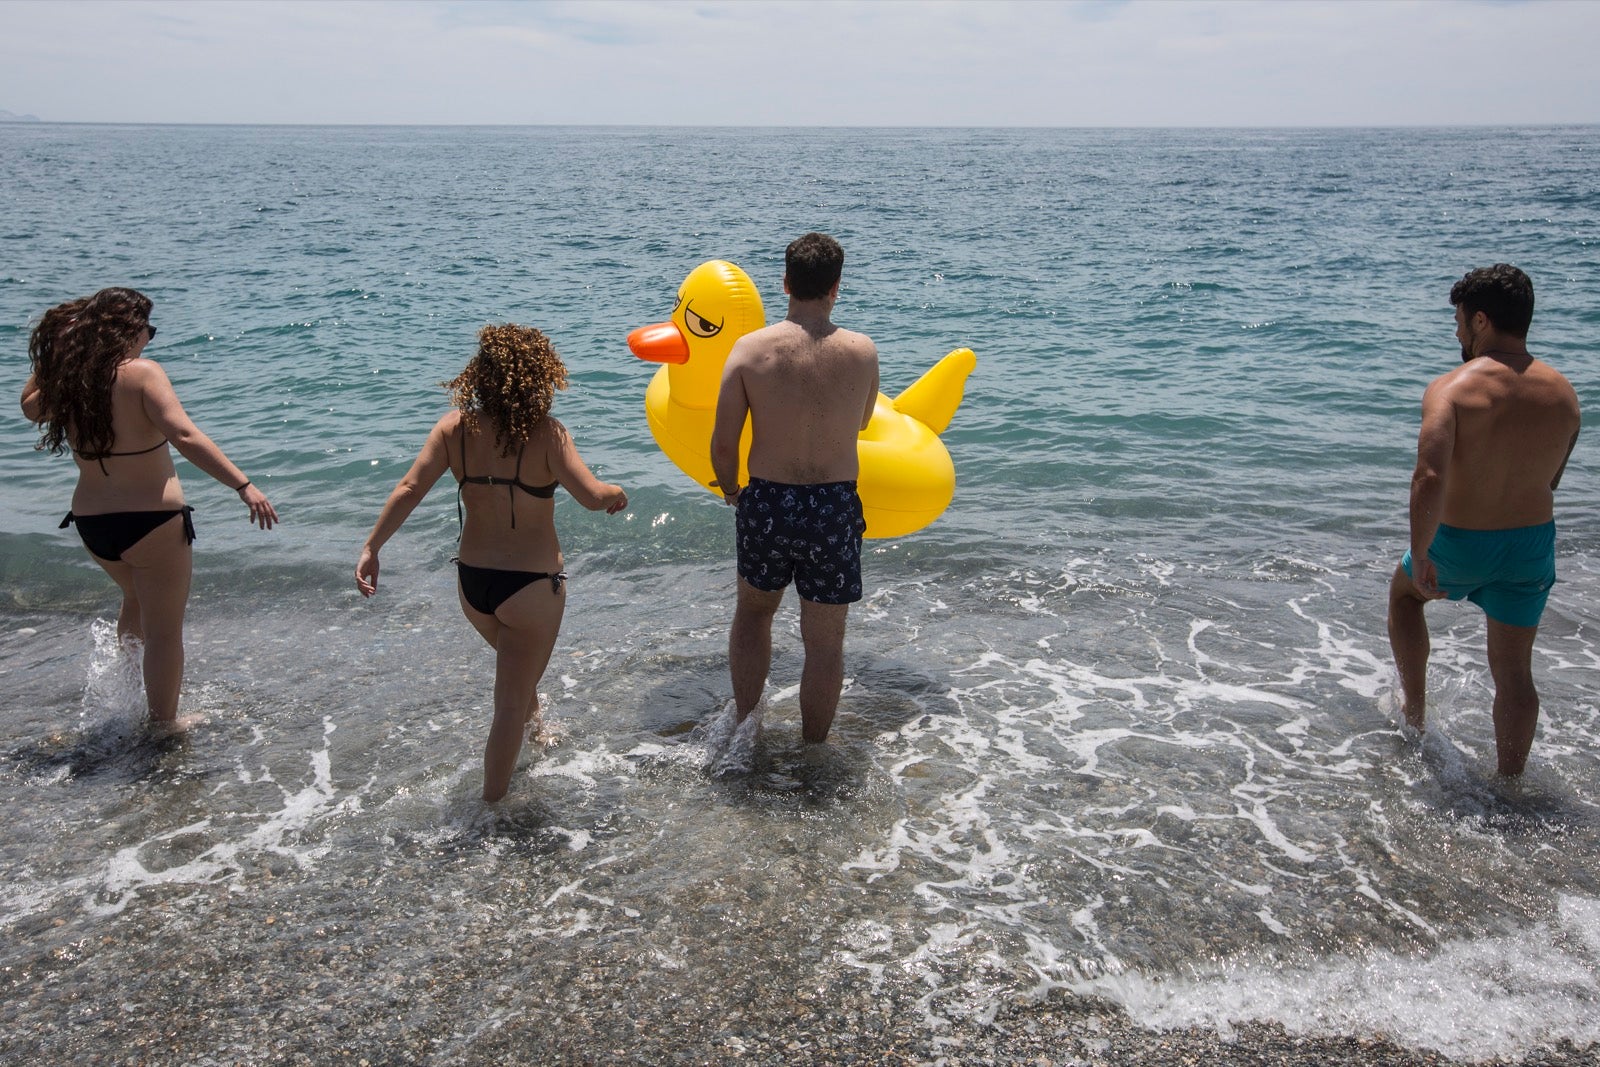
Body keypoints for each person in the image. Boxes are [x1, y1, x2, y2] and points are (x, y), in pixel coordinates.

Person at [355, 324, 626, 803]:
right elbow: (590, 496)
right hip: (531, 588)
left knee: (515, 672)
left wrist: (372, 547)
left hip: (473, 586)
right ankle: (491, 808)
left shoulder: (454, 429)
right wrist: (615, 494)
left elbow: (409, 489)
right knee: (508, 702)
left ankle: (540, 733)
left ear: (480, 376)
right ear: (539, 377)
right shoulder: (548, 434)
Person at [21, 287, 279, 728]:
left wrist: (59, 351)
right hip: (152, 522)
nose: (149, 339)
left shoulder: (67, 383)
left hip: (92, 525)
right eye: (148, 330)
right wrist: (243, 484)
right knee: (164, 633)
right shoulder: (142, 373)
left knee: (133, 600)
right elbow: (185, 435)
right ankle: (163, 725)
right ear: (129, 330)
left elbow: (30, 408)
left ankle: (125, 697)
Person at [1387, 264, 1580, 776]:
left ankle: (1415, 717)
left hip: (1461, 543)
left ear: (1480, 321)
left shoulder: (1451, 389)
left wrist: (1423, 553)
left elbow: (1429, 476)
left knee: (1404, 596)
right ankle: (1510, 782)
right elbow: (1552, 479)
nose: (1455, 332)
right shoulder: (1564, 394)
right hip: (1530, 549)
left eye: (1458, 320)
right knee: (1516, 674)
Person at [709, 232, 880, 758]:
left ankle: (745, 728)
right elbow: (866, 420)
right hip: (832, 506)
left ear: (784, 283)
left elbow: (722, 444)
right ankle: (813, 751)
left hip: (767, 502)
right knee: (825, 642)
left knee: (754, 615)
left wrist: (735, 490)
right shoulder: (861, 352)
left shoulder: (749, 350)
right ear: (836, 288)